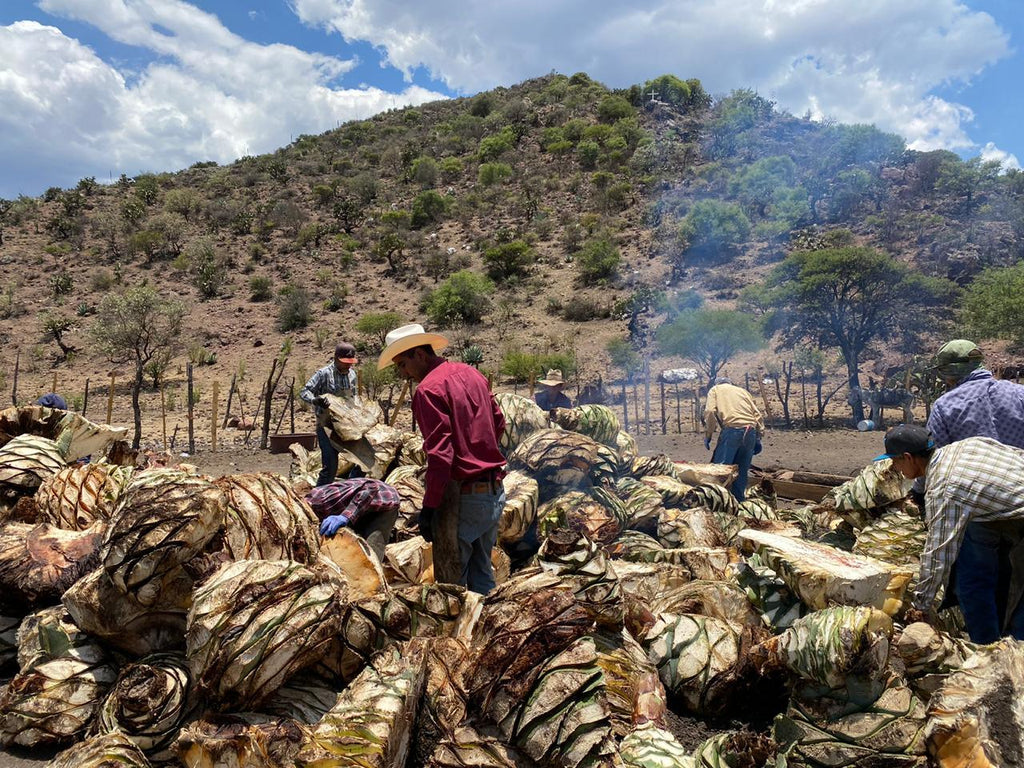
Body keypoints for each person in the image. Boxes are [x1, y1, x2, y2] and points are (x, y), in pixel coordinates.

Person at [378, 323, 506, 594]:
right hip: (493, 492)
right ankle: (484, 632)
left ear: (420, 355)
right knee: (482, 575)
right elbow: (499, 422)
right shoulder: (472, 374)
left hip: (464, 499)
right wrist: (477, 450)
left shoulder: (429, 390)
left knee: (451, 588)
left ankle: (458, 636)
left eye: (402, 364)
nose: (403, 374)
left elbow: (440, 454)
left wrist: (430, 507)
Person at [876, 423, 1024, 643]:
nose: (895, 468)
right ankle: (990, 640)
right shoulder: (963, 447)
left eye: (895, 461)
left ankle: (1005, 653)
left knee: (1005, 591)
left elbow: (938, 553)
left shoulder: (944, 489)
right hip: (1004, 509)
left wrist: (920, 607)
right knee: (973, 574)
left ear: (908, 457)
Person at [916, 339, 1024, 622]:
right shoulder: (1019, 395)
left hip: (976, 507)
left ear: (948, 374)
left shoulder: (944, 406)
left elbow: (933, 461)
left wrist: (918, 495)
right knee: (1018, 582)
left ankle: (984, 646)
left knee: (976, 582)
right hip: (1018, 498)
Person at [300, 342, 359, 486]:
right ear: (336, 358)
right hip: (327, 427)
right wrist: (315, 400)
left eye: (351, 363)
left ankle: (349, 489)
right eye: (345, 362)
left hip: (346, 426)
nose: (348, 366)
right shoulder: (323, 374)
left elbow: (354, 396)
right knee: (331, 466)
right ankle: (319, 498)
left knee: (362, 461)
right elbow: (304, 391)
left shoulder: (352, 374)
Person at [306, 478, 401, 560]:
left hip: (384, 500)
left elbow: (371, 487)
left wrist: (345, 516)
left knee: (371, 550)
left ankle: (372, 580)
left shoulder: (324, 499)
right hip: (362, 507)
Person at [703, 376, 764, 501]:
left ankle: (720, 503)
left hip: (732, 430)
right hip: (750, 430)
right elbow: (757, 414)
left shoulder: (715, 390)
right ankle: (739, 503)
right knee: (742, 471)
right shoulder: (742, 391)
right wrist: (759, 436)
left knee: (722, 471)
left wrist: (708, 434)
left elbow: (709, 412)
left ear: (717, 383)